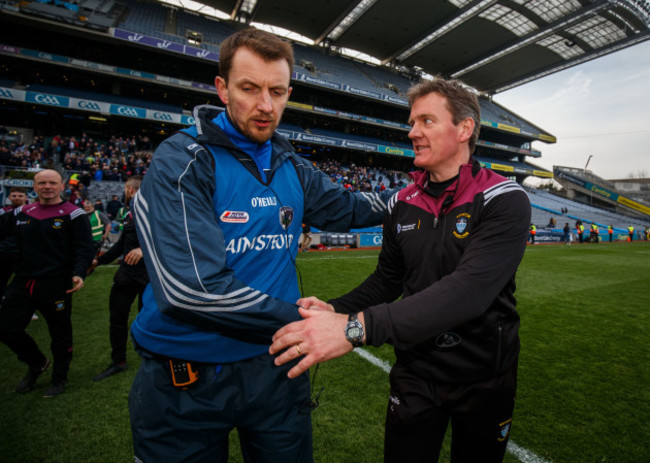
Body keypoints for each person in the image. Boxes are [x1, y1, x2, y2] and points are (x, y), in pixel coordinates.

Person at [129, 28, 393, 462]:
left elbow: (348, 207)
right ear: (222, 89)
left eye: (276, 91)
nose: (265, 106)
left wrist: (420, 196)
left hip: (276, 368)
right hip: (186, 378)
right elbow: (191, 291)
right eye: (249, 88)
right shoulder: (183, 159)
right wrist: (307, 321)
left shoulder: (291, 164)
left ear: (290, 92)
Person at [270, 77, 531, 463]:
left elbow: (468, 291)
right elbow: (388, 279)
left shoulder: (504, 198)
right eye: (412, 122)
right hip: (416, 373)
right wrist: (336, 309)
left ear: (464, 129)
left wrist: (355, 328)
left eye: (426, 121)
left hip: (485, 377)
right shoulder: (400, 201)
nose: (413, 132)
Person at [0, 169, 94, 398]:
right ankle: (37, 362)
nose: (47, 187)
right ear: (35, 186)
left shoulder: (74, 214)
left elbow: (85, 247)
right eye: (42, 183)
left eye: (52, 183)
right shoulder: (21, 212)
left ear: (61, 186)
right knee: (6, 328)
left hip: (56, 284)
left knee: (60, 333)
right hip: (23, 281)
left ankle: (59, 378)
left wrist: (79, 273)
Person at [90, 176, 148, 381]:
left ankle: (151, 359)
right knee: (117, 319)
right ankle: (119, 361)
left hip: (149, 277)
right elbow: (122, 243)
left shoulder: (156, 208)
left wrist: (144, 250)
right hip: (126, 275)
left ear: (130, 189)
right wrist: (100, 260)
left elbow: (170, 238)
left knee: (148, 319)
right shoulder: (130, 212)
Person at [0, 187, 28, 300]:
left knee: (25, 279)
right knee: (2, 277)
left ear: (26, 197)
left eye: (20, 196)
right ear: (9, 197)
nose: (17, 198)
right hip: (5, 251)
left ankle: (25, 303)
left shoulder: (32, 212)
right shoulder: (3, 212)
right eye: (14, 196)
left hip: (25, 252)